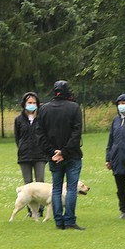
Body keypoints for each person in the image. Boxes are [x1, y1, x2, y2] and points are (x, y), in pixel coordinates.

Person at [36, 80, 84, 230]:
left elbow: (40, 134)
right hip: (72, 155)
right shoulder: (74, 108)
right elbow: (77, 133)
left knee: (56, 188)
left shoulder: (44, 109)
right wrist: (64, 151)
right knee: (71, 188)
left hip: (54, 157)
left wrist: (52, 152)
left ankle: (58, 221)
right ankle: (69, 220)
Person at [14, 91, 47, 216]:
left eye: (34, 103)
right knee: (27, 184)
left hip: (40, 155)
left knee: (40, 183)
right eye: (29, 103)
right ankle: (30, 211)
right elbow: (18, 138)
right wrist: (22, 148)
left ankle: (40, 210)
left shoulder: (42, 119)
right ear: (24, 104)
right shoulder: (18, 120)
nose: (32, 105)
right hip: (24, 156)